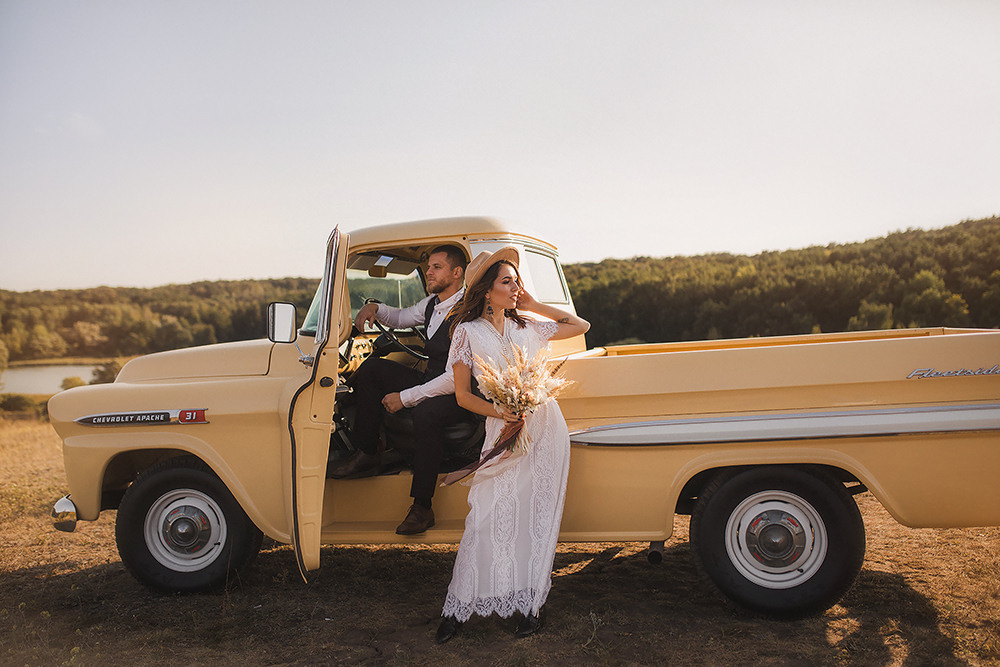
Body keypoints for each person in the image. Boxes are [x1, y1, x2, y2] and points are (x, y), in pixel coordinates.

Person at [434, 246, 590, 642]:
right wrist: (498, 413)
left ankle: (530, 605)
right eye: (508, 281)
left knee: (534, 520)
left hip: (545, 430)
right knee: (485, 515)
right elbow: (462, 396)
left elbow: (580, 325)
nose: (516, 287)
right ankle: (457, 608)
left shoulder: (529, 327)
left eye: (517, 280)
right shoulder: (466, 333)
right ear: (487, 290)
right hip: (502, 429)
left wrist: (535, 303)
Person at [327, 244, 469, 536]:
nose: (428, 272)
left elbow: (455, 380)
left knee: (427, 413)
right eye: (428, 267)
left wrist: (405, 398)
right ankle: (367, 452)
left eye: (436, 267)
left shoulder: (468, 312)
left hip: (460, 391)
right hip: (433, 379)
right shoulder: (432, 304)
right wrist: (375, 308)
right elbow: (402, 317)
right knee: (372, 370)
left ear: (457, 273)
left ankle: (422, 507)